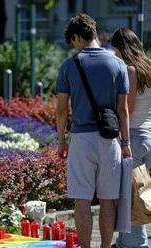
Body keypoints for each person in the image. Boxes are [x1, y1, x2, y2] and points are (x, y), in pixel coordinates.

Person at [56, 14, 131, 248]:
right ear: (95, 34)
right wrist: (126, 143)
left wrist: (61, 141)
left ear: (77, 37)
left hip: (80, 139)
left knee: (82, 201)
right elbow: (123, 109)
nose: (74, 46)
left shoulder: (69, 66)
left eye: (73, 41)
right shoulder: (118, 64)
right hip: (111, 139)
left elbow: (61, 110)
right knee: (108, 201)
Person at [111, 27, 151, 248]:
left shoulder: (131, 70)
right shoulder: (150, 67)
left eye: (115, 49)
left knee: (130, 198)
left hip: (134, 138)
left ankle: (134, 244)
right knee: (145, 195)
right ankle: (130, 242)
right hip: (149, 137)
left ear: (121, 48)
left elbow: (127, 108)